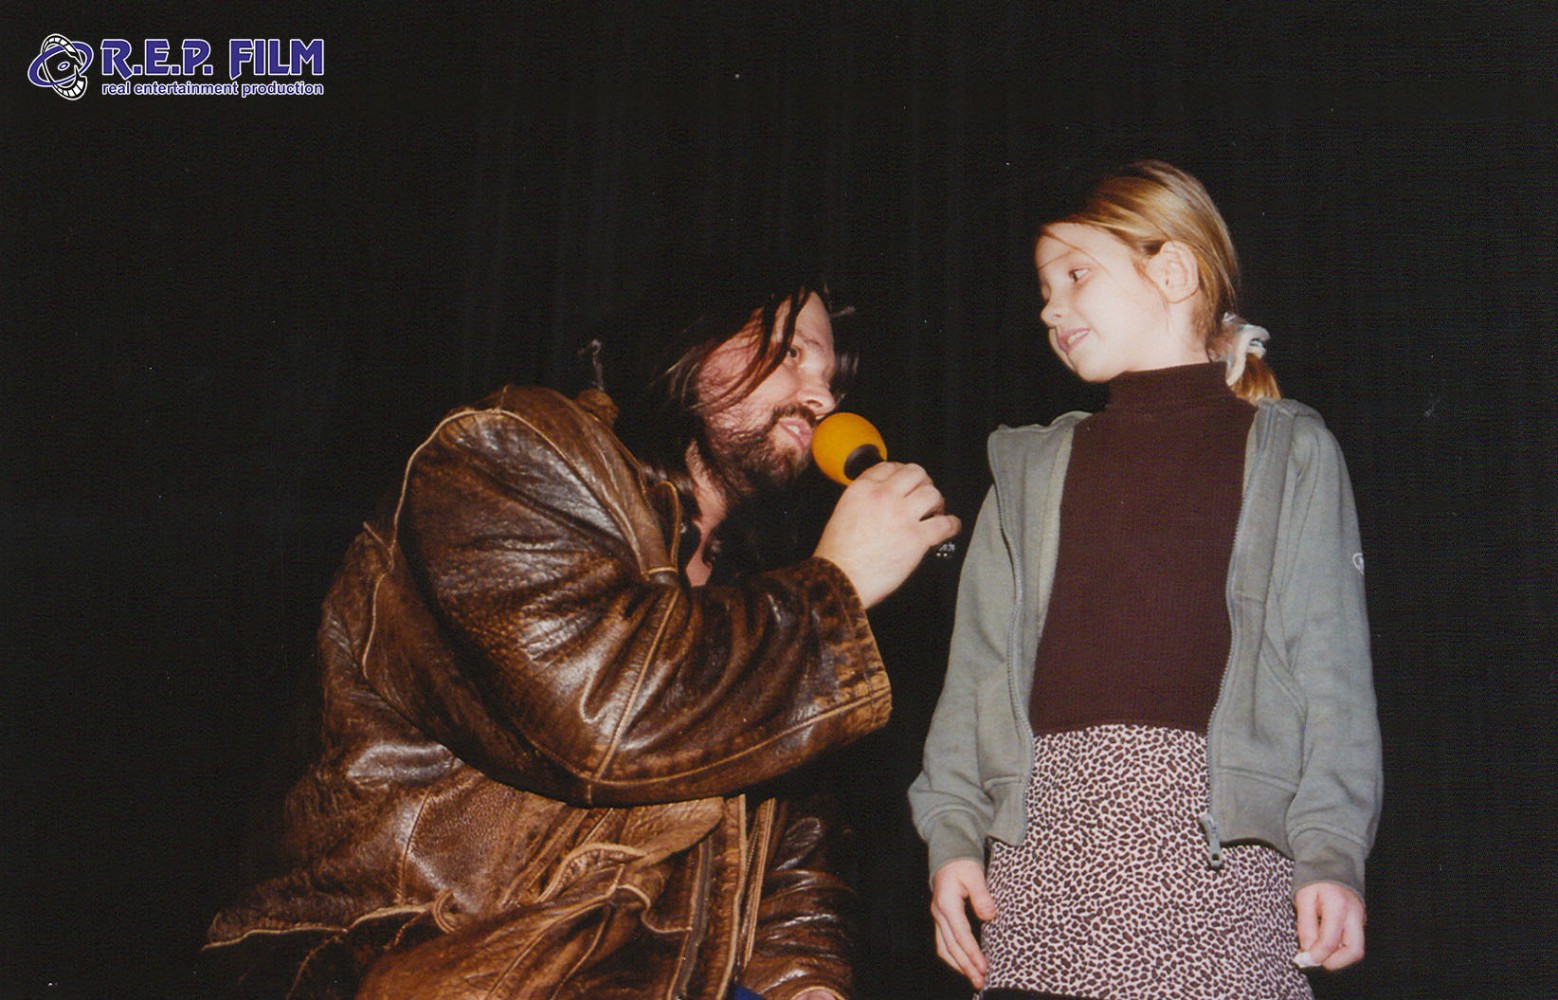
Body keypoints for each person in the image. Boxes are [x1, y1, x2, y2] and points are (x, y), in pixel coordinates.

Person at [203, 264, 960, 999]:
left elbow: (794, 842)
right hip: (417, 954)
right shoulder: (507, 453)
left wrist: (805, 983)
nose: (821, 395)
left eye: (832, 378)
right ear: (689, 340)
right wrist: (835, 587)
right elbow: (604, 721)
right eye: (791, 352)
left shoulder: (754, 595)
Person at [908, 161, 1382, 999]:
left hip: (1222, 858)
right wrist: (953, 837)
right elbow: (976, 671)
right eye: (1042, 289)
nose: (1050, 307)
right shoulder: (1028, 468)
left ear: (1173, 272)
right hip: (1044, 852)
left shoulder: (1291, 454)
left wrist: (1332, 855)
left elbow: (1331, 674)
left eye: (1075, 275)